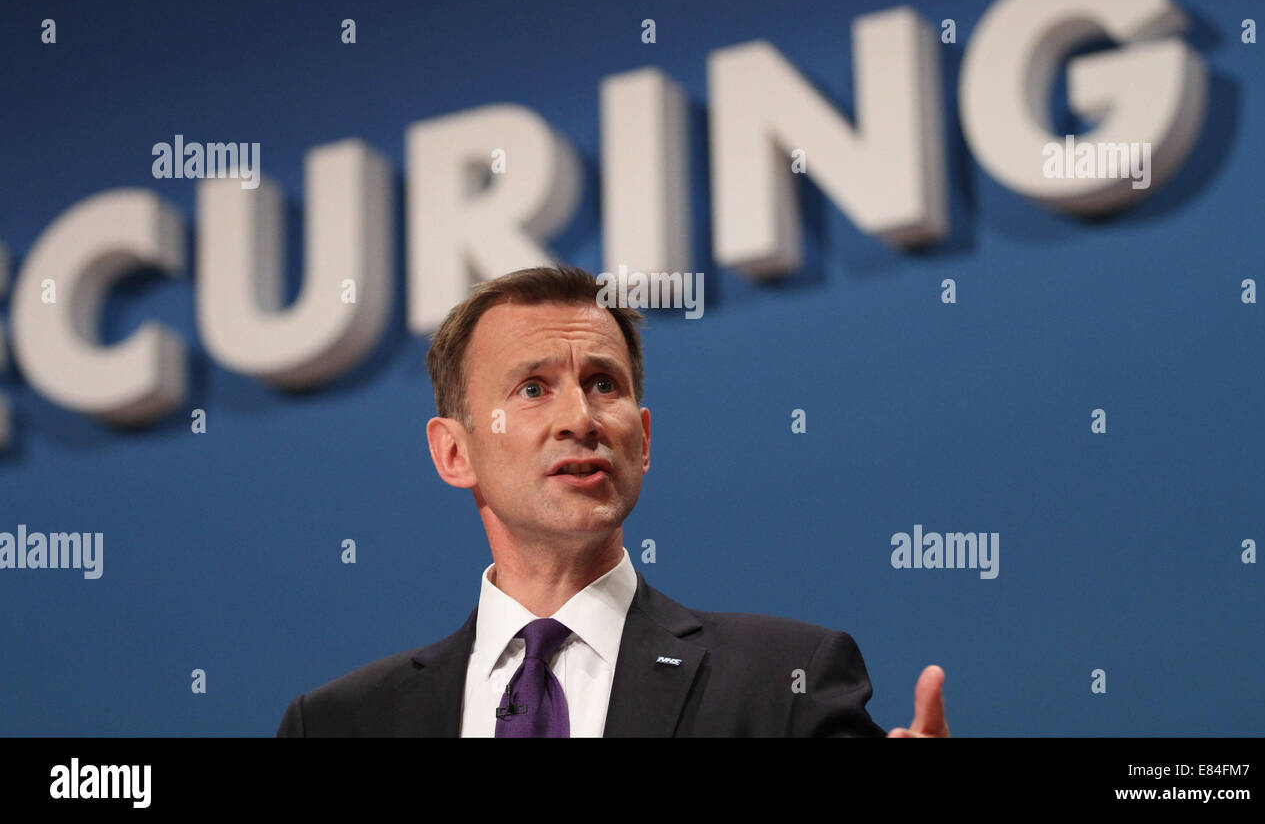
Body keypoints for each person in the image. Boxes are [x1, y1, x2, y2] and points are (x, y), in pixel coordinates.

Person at [276, 265, 950, 737]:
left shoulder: (784, 683)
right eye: (533, 389)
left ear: (644, 438)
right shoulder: (339, 723)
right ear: (454, 452)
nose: (580, 417)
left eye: (603, 383)